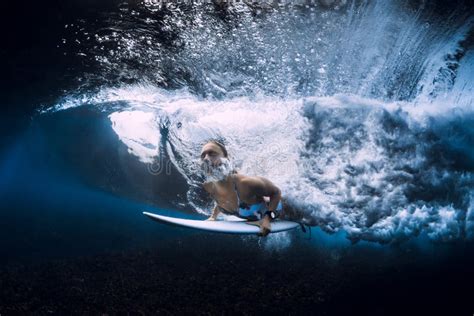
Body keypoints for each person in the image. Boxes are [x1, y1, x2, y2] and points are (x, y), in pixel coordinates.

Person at [200, 140, 284, 237]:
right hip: (257, 216)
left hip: (284, 210)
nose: (206, 158)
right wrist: (213, 217)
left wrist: (267, 219)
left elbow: (276, 192)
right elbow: (220, 202)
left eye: (212, 153)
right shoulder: (209, 187)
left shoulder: (245, 183)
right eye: (203, 156)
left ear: (226, 158)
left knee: (303, 217)